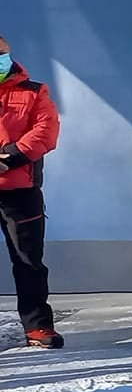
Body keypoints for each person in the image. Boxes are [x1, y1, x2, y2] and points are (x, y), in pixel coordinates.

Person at [0, 35, 62, 350]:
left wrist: (11, 156)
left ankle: (38, 326)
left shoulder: (34, 91)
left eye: (1, 54)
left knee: (28, 261)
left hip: (20, 190)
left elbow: (46, 130)